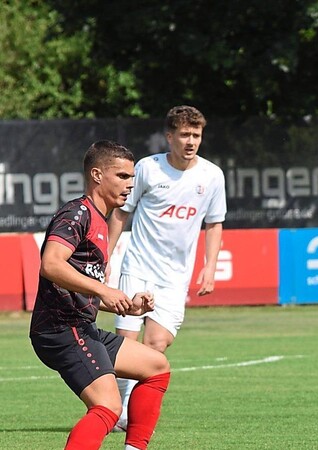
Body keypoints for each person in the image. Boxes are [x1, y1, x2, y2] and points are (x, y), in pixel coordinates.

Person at [29, 140, 171, 450]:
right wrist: (104, 289)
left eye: (132, 178)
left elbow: (83, 288)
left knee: (156, 367)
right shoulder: (77, 213)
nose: (129, 185)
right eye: (121, 176)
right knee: (108, 406)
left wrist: (127, 307)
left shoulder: (101, 221)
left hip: (81, 327)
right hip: (60, 329)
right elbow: (51, 264)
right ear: (97, 175)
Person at [107, 105, 227, 430]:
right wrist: (106, 252)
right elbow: (121, 213)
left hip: (175, 276)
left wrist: (210, 266)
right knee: (126, 344)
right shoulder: (147, 169)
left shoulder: (212, 176)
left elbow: (214, 224)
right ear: (170, 136)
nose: (191, 141)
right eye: (185, 134)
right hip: (138, 266)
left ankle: (126, 411)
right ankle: (121, 413)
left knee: (156, 345)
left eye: (197, 135)